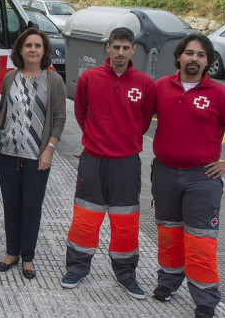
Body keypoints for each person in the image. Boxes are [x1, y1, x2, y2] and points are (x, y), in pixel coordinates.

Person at [151, 33, 225, 318]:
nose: (194, 59)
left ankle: (206, 298)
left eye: (201, 55)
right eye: (189, 53)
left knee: (200, 241)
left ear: (208, 61)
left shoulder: (220, 94)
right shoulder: (161, 88)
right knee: (169, 234)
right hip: (165, 174)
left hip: (201, 179)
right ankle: (168, 283)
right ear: (180, 56)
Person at [61, 27, 156, 298]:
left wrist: (123, 142)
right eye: (116, 47)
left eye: (126, 48)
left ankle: (126, 274)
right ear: (108, 48)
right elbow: (81, 112)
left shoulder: (145, 83)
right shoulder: (90, 78)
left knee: (126, 222)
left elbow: (144, 121)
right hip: (93, 160)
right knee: (85, 218)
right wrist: (97, 138)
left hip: (126, 164)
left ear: (133, 50)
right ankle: (77, 268)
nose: (120, 53)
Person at [0, 28, 66, 279]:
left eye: (37, 46)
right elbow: (3, 109)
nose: (32, 50)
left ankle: (28, 257)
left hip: (37, 154)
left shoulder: (53, 80)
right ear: (20, 50)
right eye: (28, 46)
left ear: (44, 51)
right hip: (6, 152)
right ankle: (12, 252)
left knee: (31, 206)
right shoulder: (10, 77)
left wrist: (50, 149)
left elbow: (59, 118)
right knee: (11, 204)